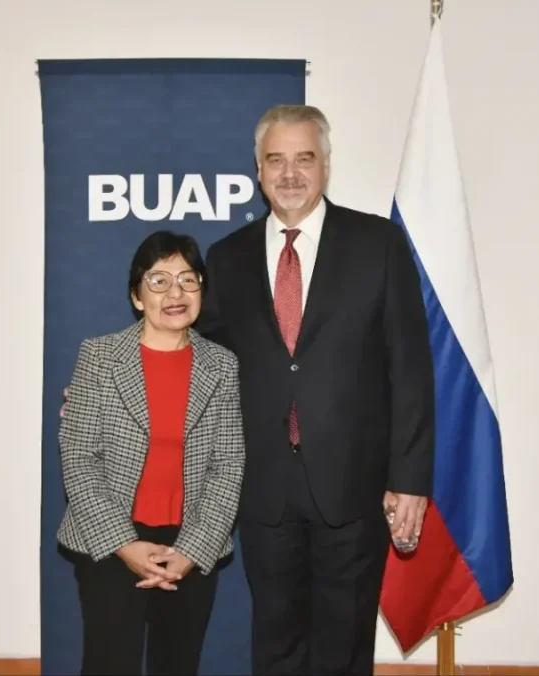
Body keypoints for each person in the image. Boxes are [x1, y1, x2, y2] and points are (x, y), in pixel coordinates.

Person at [193, 104, 436, 675]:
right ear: (258, 170)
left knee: (344, 649)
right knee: (275, 647)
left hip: (355, 488)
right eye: (275, 160)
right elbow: (200, 362)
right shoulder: (226, 258)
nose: (290, 173)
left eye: (304, 157)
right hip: (264, 490)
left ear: (326, 165)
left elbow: (411, 367)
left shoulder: (378, 244)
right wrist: (110, 389)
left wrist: (410, 480)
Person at [57, 230, 246, 675]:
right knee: (109, 664)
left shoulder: (222, 365)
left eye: (187, 279)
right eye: (158, 281)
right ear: (137, 296)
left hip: (191, 541)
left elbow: (228, 465)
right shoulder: (99, 357)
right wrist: (125, 544)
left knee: (177, 665)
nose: (175, 293)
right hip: (109, 541)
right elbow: (80, 458)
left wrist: (193, 550)